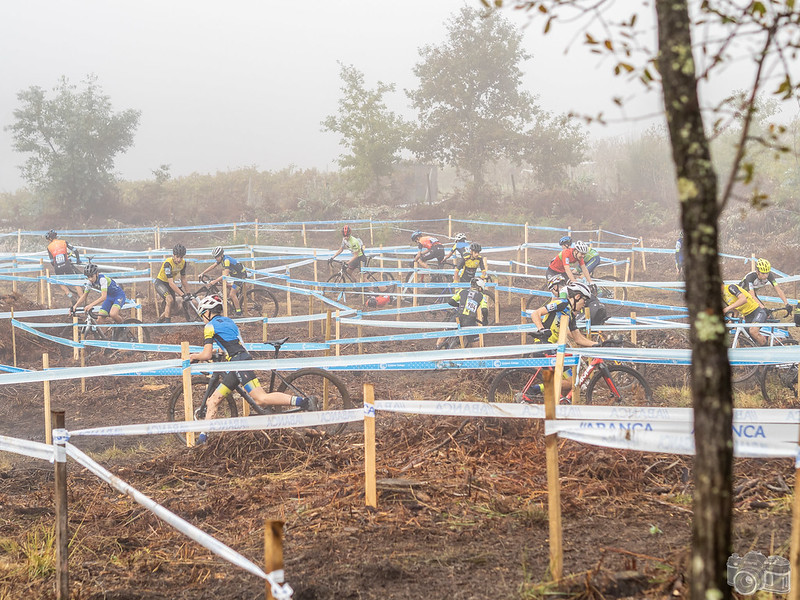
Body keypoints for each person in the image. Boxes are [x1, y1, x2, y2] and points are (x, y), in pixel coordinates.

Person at [188, 295, 319, 443]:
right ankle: (203, 440)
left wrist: (194, 356)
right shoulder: (229, 322)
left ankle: (304, 402)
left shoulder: (209, 326)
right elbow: (232, 344)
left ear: (208, 312)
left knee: (261, 399)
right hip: (240, 361)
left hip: (238, 363)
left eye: (202, 315)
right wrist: (217, 353)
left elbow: (205, 354)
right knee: (213, 401)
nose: (202, 318)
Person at [528, 281, 600, 396]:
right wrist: (542, 329)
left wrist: (596, 344)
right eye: (584, 300)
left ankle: (550, 400)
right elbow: (535, 314)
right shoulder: (561, 303)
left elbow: (578, 338)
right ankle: (534, 390)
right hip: (544, 348)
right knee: (567, 383)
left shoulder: (570, 315)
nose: (584, 304)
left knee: (572, 382)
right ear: (577, 297)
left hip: (555, 350)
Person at [435, 277, 489, 349]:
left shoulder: (462, 291)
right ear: (480, 288)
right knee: (476, 344)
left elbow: (451, 302)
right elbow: (484, 310)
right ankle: (475, 358)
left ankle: (436, 348)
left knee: (445, 333)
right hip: (470, 320)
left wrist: (460, 305)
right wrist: (485, 320)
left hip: (458, 316)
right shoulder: (482, 296)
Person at [70, 263, 127, 330]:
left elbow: (103, 297)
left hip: (118, 295)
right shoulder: (89, 282)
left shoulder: (102, 279)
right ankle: (102, 339)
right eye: (88, 277)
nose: (90, 279)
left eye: (91, 276)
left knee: (113, 314)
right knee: (100, 318)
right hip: (109, 297)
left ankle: (124, 329)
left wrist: (91, 305)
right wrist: (75, 306)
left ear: (97, 274)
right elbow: (84, 296)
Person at [198, 246, 247, 316]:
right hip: (234, 274)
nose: (216, 258)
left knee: (232, 294)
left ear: (221, 255)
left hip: (240, 275)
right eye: (215, 257)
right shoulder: (221, 259)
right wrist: (203, 273)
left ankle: (238, 312)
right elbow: (212, 266)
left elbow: (225, 274)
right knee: (221, 282)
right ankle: (235, 293)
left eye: (217, 256)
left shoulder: (226, 260)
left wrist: (214, 281)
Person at [154, 243, 190, 322]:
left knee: (172, 306)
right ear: (173, 255)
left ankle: (159, 322)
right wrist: (182, 295)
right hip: (161, 283)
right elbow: (171, 283)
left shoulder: (183, 263)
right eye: (177, 257)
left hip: (169, 284)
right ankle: (168, 325)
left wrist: (188, 293)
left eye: (181, 257)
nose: (179, 260)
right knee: (169, 300)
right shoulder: (168, 263)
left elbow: (183, 279)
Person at [45, 229, 82, 301]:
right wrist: (78, 259)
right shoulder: (63, 242)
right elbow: (75, 250)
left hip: (57, 267)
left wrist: (56, 266)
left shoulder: (49, 247)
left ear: (50, 239)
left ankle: (70, 295)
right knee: (75, 282)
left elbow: (52, 261)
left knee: (60, 283)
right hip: (67, 264)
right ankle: (82, 298)